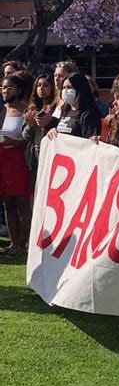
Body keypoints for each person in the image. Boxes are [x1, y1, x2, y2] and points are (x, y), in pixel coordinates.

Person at [0, 75, 32, 256]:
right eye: (3, 88)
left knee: (21, 201)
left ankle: (23, 242)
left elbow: (29, 137)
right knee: (7, 202)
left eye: (9, 88)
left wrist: (15, 141)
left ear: (18, 90)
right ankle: (13, 243)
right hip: (1, 157)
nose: (5, 91)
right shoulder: (1, 109)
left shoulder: (25, 110)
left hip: (17, 158)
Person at [47, 72, 101, 140]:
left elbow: (89, 143)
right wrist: (53, 131)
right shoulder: (65, 110)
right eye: (64, 87)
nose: (65, 91)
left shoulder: (89, 114)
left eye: (69, 87)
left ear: (80, 89)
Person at [22, 74, 57, 179]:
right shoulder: (31, 108)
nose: (41, 88)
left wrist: (48, 121)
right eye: (39, 85)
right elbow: (25, 136)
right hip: (35, 156)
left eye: (45, 85)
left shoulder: (57, 107)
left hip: (52, 153)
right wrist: (31, 125)